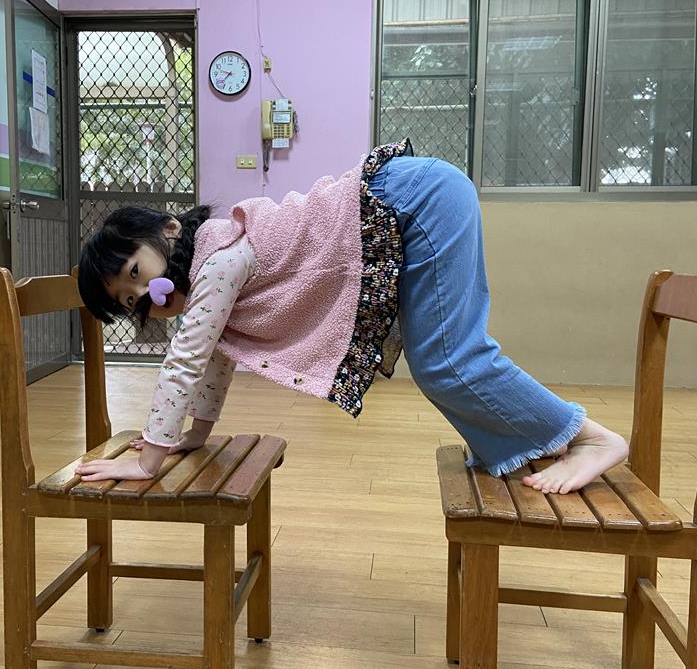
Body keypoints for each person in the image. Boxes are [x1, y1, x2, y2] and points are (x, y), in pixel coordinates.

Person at [76, 139, 628, 494]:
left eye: (136, 271)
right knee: (439, 363)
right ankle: (541, 440)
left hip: (415, 201)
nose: (144, 293)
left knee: (447, 360)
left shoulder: (217, 260)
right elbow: (216, 363)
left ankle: (590, 438)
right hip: (416, 199)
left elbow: (186, 360)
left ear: (169, 230)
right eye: (129, 300)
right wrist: (194, 435)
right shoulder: (212, 274)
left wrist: (148, 461)